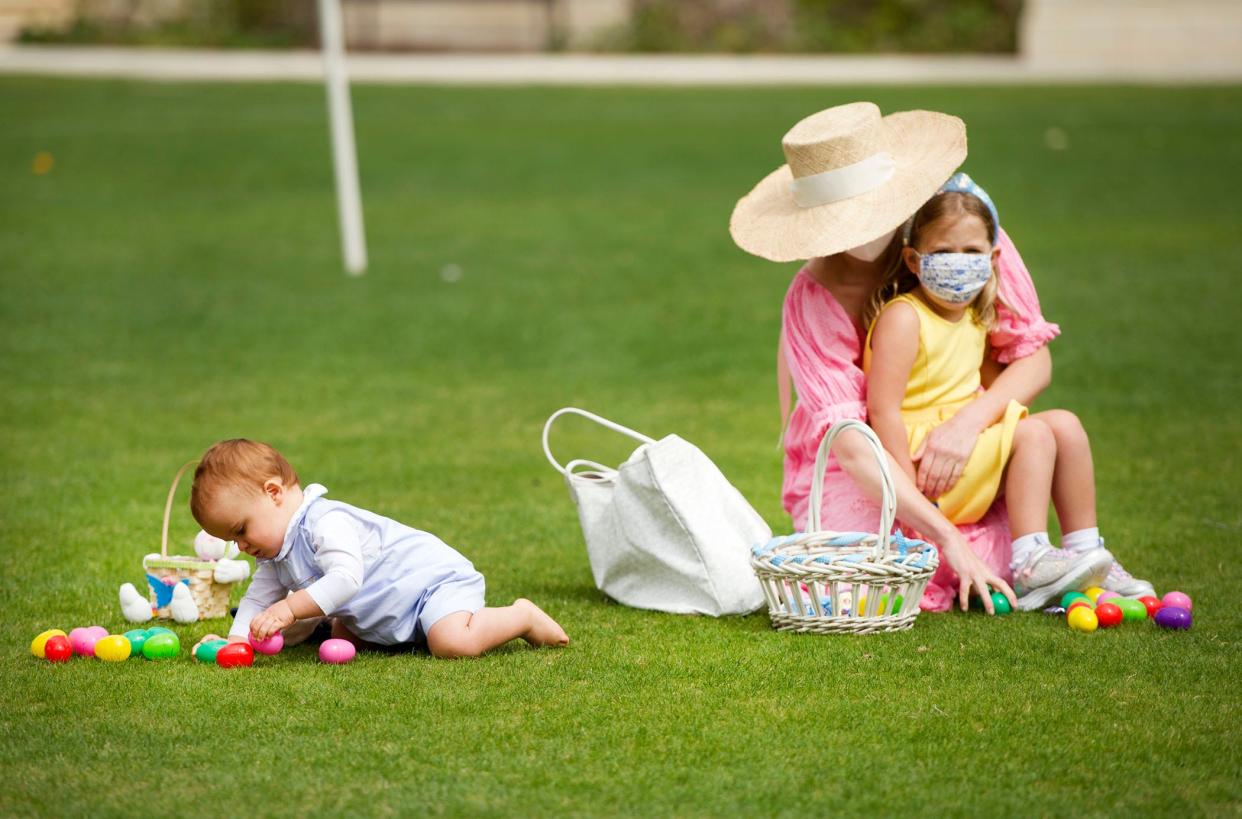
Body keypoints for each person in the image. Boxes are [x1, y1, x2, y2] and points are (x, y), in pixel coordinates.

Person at [729, 101, 1147, 614]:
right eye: (837, 218)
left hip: (956, 446)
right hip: (870, 468)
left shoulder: (959, 239)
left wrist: (968, 424)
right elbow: (855, 444)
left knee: (1045, 441)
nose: (858, 229)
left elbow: (1032, 359)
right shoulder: (814, 299)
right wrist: (938, 530)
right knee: (875, 574)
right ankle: (977, 546)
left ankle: (1072, 557)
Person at [863, 173, 1151, 609]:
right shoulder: (904, 318)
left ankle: (1088, 552)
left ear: (994, 258)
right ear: (913, 260)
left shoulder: (975, 319)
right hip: (928, 469)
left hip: (965, 454)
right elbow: (882, 412)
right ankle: (1029, 561)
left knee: (1066, 425)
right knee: (1033, 432)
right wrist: (912, 506)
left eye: (971, 252)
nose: (958, 263)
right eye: (942, 252)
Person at [189, 438, 569, 658]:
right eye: (231, 540)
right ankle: (397, 630)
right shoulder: (277, 552)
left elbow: (346, 578)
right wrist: (237, 642)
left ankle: (523, 616)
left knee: (452, 642)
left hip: (432, 585)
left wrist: (289, 607)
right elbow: (257, 599)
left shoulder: (324, 522)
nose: (241, 545)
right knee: (341, 636)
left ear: (273, 493)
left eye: (241, 530)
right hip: (389, 605)